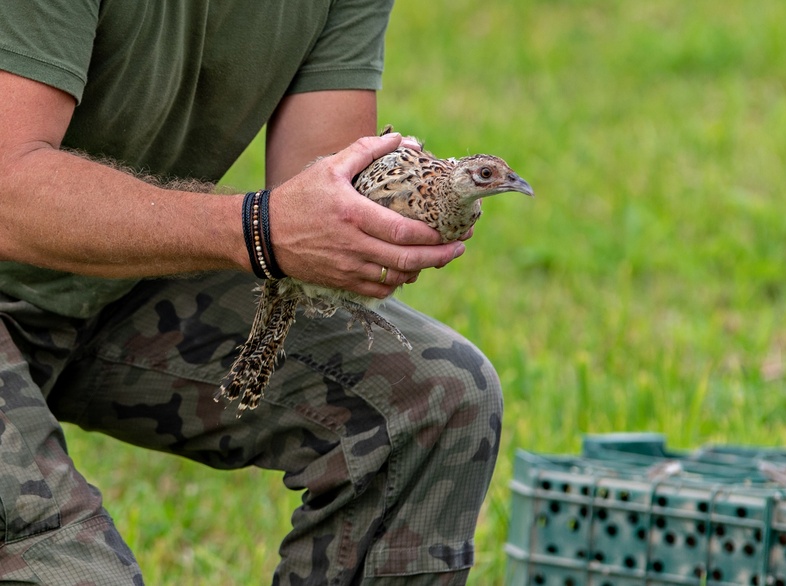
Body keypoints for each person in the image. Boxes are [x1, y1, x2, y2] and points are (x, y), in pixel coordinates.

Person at [0, 2, 502, 584]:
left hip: (115, 283)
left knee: (438, 394)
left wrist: (378, 223)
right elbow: (7, 191)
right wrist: (257, 229)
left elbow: (320, 187)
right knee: (76, 570)